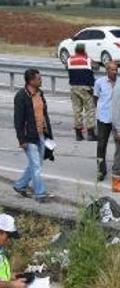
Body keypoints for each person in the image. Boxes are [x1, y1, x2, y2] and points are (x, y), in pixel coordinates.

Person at [13, 68, 53, 203]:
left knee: (36, 164)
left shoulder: (40, 94)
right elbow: (18, 120)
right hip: (28, 137)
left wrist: (49, 134)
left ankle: (20, 185)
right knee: (36, 166)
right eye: (39, 78)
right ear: (31, 81)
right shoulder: (21, 96)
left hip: (41, 135)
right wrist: (21, 139)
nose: (41, 80)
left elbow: (44, 115)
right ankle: (40, 194)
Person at [93, 61, 119, 181]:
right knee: (101, 145)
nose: (115, 72)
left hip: (118, 119)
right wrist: (100, 111)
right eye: (112, 70)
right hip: (103, 118)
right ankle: (100, 170)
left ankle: (118, 169)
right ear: (107, 70)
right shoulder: (99, 82)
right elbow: (96, 98)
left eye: (116, 70)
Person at [67, 43, 96, 142]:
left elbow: (67, 69)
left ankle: (78, 134)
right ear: (84, 50)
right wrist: (86, 56)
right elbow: (96, 67)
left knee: (77, 110)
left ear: (75, 50)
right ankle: (91, 133)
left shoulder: (69, 60)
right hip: (85, 87)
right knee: (90, 110)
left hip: (74, 87)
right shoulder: (87, 60)